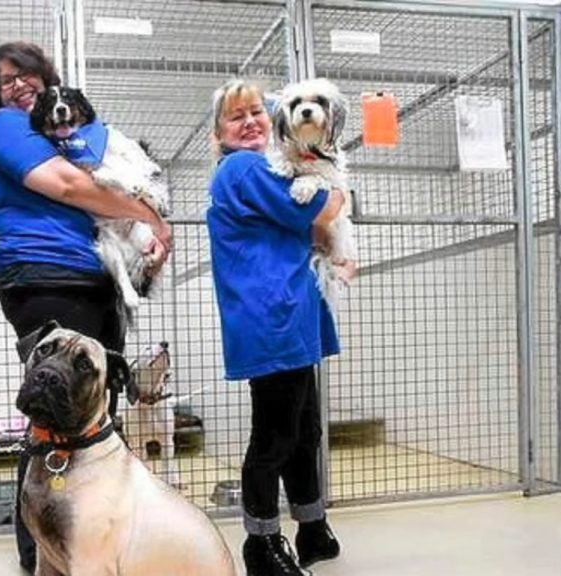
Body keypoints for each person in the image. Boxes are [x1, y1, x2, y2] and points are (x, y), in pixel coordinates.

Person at [0, 41, 172, 574]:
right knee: (53, 410)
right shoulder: (8, 126)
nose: (18, 85)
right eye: (6, 80)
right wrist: (151, 217)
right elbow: (68, 186)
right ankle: (41, 549)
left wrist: (146, 242)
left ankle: (98, 532)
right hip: (46, 274)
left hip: (93, 277)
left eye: (27, 76)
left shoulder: (70, 136)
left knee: (94, 411)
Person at [207, 78, 350, 576]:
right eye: (236, 116)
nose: (250, 122)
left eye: (256, 113)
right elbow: (323, 208)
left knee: (304, 429)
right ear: (219, 133)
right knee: (275, 437)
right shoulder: (243, 167)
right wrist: (338, 194)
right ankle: (261, 543)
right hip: (271, 317)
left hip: (290, 313)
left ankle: (312, 528)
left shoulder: (265, 165)